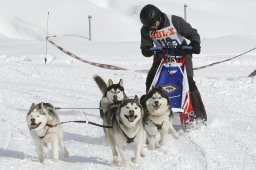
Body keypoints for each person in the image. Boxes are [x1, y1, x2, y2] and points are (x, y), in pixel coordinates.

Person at [139, 4, 207, 121]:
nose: (152, 27)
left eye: (153, 24)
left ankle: (199, 114)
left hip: (183, 54)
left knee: (188, 81)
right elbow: (146, 46)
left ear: (159, 17)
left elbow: (193, 33)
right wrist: (146, 50)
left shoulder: (174, 21)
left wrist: (195, 43)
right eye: (149, 26)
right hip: (162, 56)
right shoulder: (146, 29)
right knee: (151, 80)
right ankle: (149, 111)